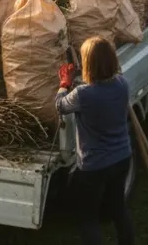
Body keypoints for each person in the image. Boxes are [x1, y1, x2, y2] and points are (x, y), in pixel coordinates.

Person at [56, 37, 135, 245]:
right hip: (122, 158)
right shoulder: (122, 84)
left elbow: (60, 106)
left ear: (88, 64)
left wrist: (64, 84)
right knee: (118, 209)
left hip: (94, 166)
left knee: (88, 218)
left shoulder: (83, 94)